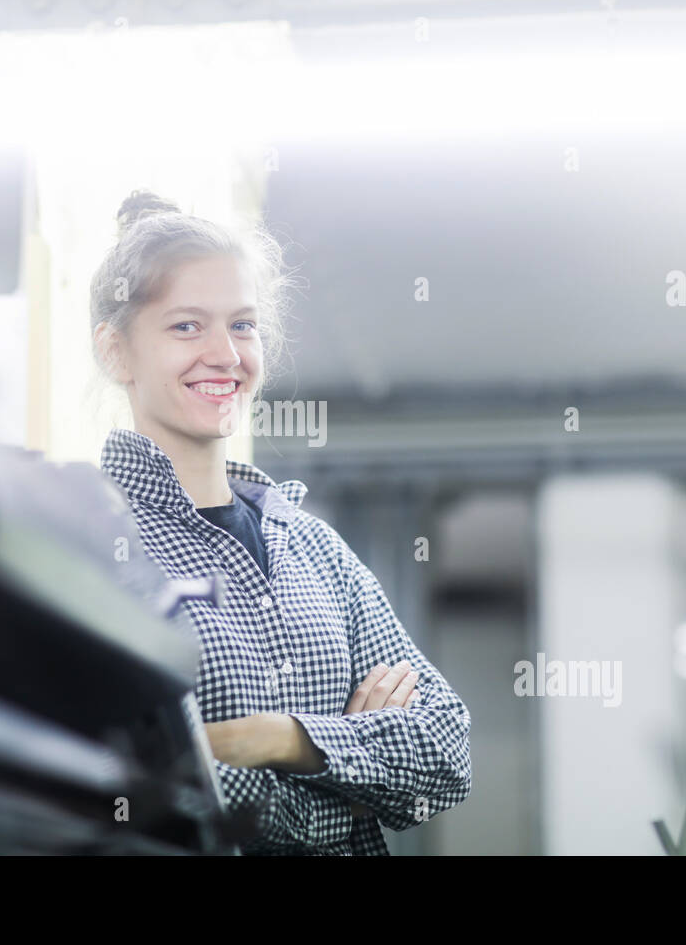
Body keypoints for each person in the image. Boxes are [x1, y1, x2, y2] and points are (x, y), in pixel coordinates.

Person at [91, 189, 472, 855]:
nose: (225, 354)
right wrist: (354, 766)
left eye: (242, 324)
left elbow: (447, 751)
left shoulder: (309, 545)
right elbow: (132, 791)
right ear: (117, 353)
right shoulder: (99, 541)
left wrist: (281, 739)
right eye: (186, 327)